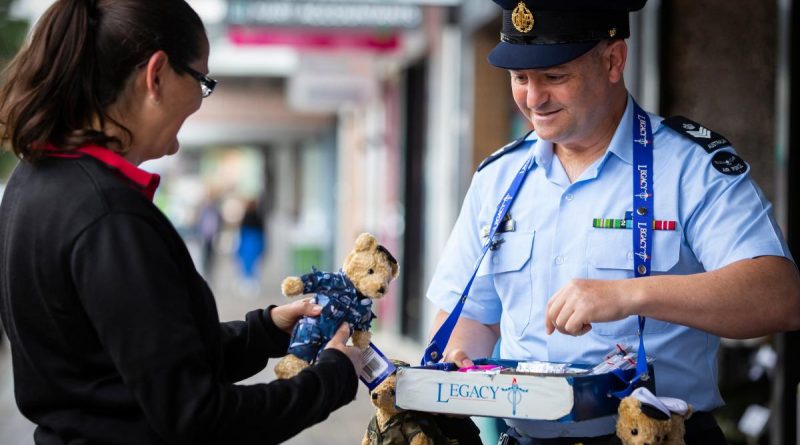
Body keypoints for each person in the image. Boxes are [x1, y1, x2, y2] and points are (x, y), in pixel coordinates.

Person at [424, 1, 800, 444]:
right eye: (520, 79)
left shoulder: (690, 167)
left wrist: (630, 295)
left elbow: (780, 296)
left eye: (555, 77)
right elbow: (470, 317)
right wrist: (456, 369)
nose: (533, 98)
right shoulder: (498, 179)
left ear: (613, 60)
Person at [0, 1, 362, 444]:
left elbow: (142, 358)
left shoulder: (34, 181)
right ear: (156, 75)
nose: (200, 99)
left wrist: (264, 331)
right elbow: (199, 416)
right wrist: (330, 379)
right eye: (202, 81)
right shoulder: (110, 217)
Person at [236, 198, 266, 296]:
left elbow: (241, 233)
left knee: (247, 265)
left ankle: (247, 285)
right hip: (254, 242)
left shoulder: (246, 217)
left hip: (248, 243)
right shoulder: (258, 217)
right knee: (254, 265)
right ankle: (252, 285)